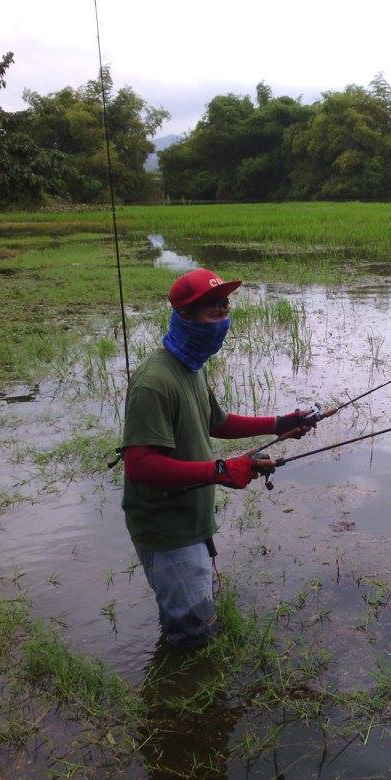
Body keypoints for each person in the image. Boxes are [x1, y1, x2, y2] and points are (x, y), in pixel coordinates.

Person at [122, 267, 314, 649]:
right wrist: (222, 469)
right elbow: (140, 465)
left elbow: (218, 422)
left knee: (191, 620)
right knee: (194, 637)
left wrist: (280, 423)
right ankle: (178, 700)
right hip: (168, 528)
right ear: (186, 319)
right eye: (214, 314)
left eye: (226, 312)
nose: (223, 322)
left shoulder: (189, 368)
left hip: (190, 518)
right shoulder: (154, 381)